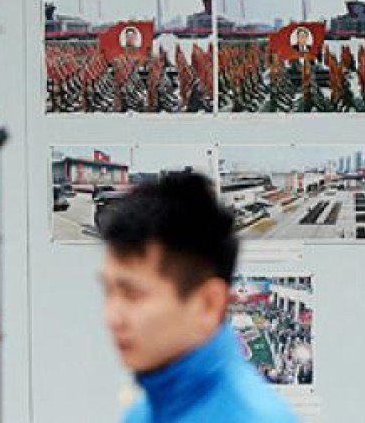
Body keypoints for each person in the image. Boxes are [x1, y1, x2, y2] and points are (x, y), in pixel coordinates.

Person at [101, 172, 296, 422]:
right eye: (109, 292)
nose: (112, 316)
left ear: (208, 304)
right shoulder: (145, 411)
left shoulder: (252, 416)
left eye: (133, 295)